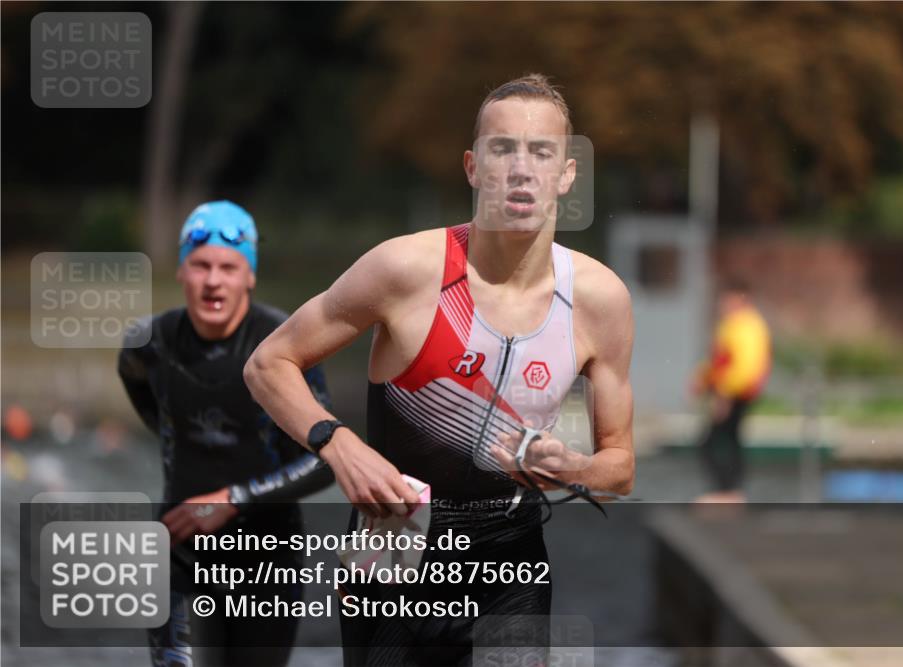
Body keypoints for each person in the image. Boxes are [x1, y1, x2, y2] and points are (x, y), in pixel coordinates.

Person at [244, 73, 635, 665]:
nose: (521, 169)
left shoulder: (598, 299)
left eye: (541, 152)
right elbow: (269, 362)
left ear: (567, 173)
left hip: (512, 550)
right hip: (395, 538)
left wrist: (575, 468)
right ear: (473, 167)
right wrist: (339, 445)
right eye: (502, 149)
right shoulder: (405, 270)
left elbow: (621, 465)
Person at [117, 200, 335, 667]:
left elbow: (324, 457)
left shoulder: (285, 344)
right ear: (182, 271)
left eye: (228, 267)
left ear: (250, 276)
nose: (213, 280)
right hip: (180, 556)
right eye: (200, 265)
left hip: (268, 560)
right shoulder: (149, 344)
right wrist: (178, 437)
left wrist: (232, 497)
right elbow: (145, 398)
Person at [690, 279, 771, 503]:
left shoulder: (747, 325)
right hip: (730, 391)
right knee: (728, 439)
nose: (723, 303)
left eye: (729, 298)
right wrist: (702, 380)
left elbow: (745, 365)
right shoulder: (734, 323)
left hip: (735, 393)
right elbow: (720, 359)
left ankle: (728, 491)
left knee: (714, 442)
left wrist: (724, 393)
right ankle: (729, 491)